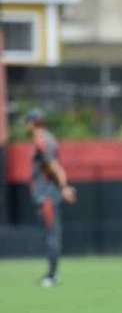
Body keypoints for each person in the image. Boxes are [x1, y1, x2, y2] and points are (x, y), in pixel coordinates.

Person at [25, 109, 76, 287]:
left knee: (52, 235)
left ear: (31, 123)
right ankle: (51, 273)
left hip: (47, 196)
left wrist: (64, 186)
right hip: (45, 194)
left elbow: (54, 166)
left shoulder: (42, 140)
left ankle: (52, 276)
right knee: (50, 234)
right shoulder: (45, 139)